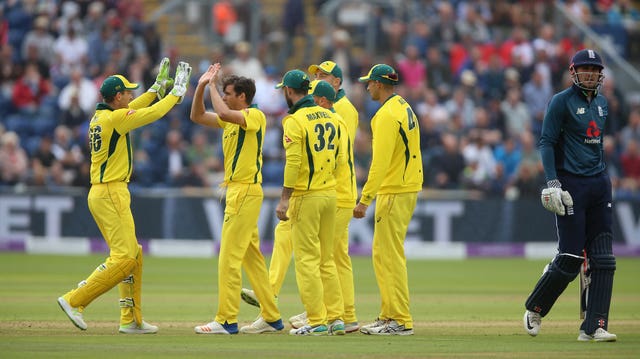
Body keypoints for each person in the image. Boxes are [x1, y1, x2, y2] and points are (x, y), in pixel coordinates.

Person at [56, 58, 192, 334]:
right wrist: (175, 93)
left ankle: (130, 319)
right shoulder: (115, 119)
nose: (130, 95)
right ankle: (75, 300)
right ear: (117, 97)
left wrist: (156, 89)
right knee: (125, 257)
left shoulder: (103, 116)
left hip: (106, 191)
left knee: (134, 255)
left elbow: (135, 107)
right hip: (110, 192)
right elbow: (151, 115)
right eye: (127, 92)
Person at [523, 49, 617, 342]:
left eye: (595, 69)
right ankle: (534, 308)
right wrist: (553, 183)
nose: (590, 74)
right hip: (571, 187)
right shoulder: (560, 102)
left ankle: (594, 326)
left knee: (604, 259)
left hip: (599, 185)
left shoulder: (603, 103)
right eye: (585, 69)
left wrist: (602, 178)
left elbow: (596, 145)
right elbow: (547, 142)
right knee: (571, 258)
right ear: (573, 71)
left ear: (600, 74)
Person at [190, 63, 283, 335]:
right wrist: (200, 87)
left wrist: (212, 86)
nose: (225, 96)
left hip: (245, 191)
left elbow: (221, 110)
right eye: (224, 93)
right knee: (251, 257)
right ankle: (272, 316)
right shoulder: (229, 118)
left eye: (229, 93)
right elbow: (197, 115)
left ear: (242, 96)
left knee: (228, 258)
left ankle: (227, 319)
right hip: (238, 192)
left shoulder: (255, 115)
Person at [353, 64, 423, 336]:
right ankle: (388, 315)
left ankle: (400, 320)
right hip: (405, 186)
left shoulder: (384, 115)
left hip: (394, 189)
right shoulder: (404, 107)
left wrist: (365, 199)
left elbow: (379, 163)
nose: (367, 86)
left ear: (380, 85)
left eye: (369, 82)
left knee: (388, 256)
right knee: (384, 254)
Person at [275, 69, 345, 336]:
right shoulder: (333, 116)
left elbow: (293, 162)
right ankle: (336, 318)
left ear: (290, 92)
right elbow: (339, 158)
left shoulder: (293, 120)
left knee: (306, 260)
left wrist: (285, 198)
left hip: (306, 195)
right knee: (327, 260)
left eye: (284, 90)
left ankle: (316, 321)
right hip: (330, 194)